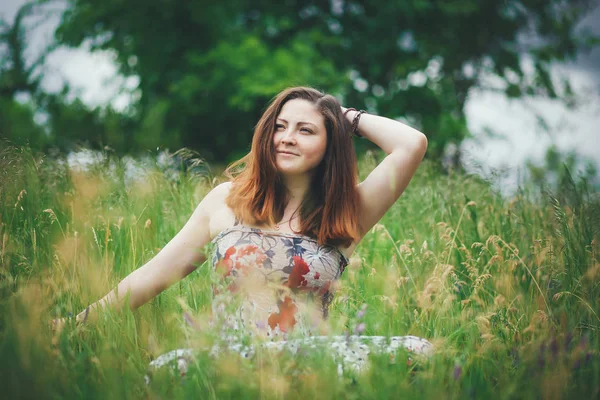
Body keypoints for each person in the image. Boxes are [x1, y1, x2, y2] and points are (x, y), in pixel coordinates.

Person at [52, 86, 432, 381]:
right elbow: (152, 276)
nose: (287, 137)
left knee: (421, 352)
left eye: (305, 130)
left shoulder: (348, 214)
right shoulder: (226, 202)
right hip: (230, 362)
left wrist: (341, 115)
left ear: (330, 141)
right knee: (171, 370)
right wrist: (77, 323)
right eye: (279, 127)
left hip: (310, 366)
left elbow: (411, 144)